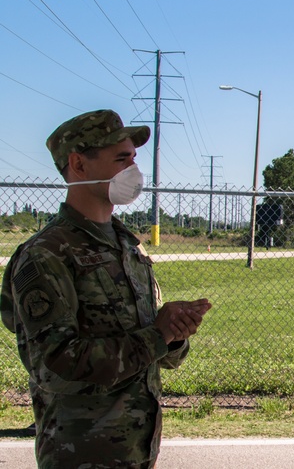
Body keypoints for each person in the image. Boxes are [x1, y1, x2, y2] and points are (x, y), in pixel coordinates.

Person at [0, 109, 212, 468]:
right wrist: (157, 336)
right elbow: (55, 366)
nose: (134, 169)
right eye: (121, 158)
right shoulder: (47, 254)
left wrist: (174, 334)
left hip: (137, 452)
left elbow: (156, 350)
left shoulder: (128, 247)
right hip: (81, 455)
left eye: (133, 158)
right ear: (79, 165)